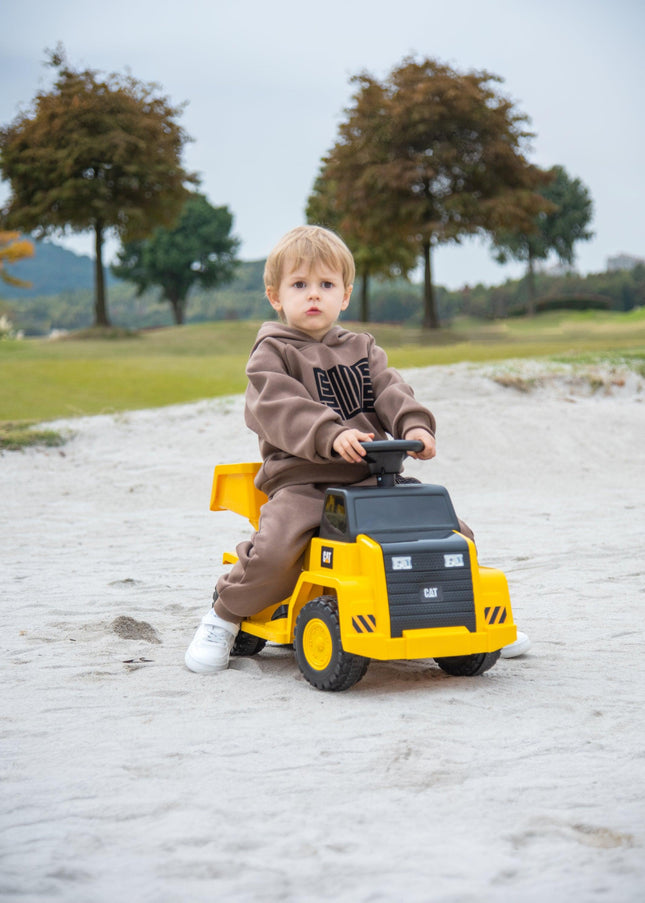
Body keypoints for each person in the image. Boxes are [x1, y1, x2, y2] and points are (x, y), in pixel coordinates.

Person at [185, 225, 530, 673]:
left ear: (345, 295)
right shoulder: (272, 353)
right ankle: (225, 616)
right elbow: (278, 406)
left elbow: (391, 390)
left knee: (453, 533)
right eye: (300, 285)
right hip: (305, 482)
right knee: (276, 551)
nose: (314, 295)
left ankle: (466, 613)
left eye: (326, 285)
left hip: (374, 479)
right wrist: (330, 432)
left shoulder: (362, 348)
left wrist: (415, 426)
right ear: (275, 296)